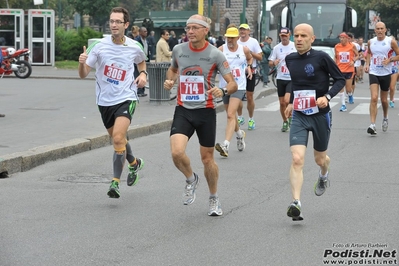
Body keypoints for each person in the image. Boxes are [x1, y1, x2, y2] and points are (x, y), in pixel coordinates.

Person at [163, 14, 237, 216]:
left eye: (195, 28)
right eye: (188, 28)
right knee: (177, 153)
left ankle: (214, 198)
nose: (190, 32)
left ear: (206, 31)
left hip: (205, 111)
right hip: (183, 109)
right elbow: (172, 71)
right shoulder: (178, 50)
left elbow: (233, 84)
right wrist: (170, 81)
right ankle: (190, 179)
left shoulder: (215, 55)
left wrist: (222, 91)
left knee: (207, 159)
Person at [78, 7, 147, 198]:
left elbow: (142, 62)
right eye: (111, 21)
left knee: (118, 138)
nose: (114, 25)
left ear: (126, 25)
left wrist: (143, 74)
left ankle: (115, 183)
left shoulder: (134, 46)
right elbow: (83, 74)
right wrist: (81, 63)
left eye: (118, 22)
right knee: (119, 139)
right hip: (105, 101)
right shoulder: (99, 46)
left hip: (127, 97)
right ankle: (134, 164)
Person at [284, 23, 345, 221]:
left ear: (312, 38)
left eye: (303, 36)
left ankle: (324, 174)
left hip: (320, 114)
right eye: (296, 36)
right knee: (297, 159)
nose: (299, 39)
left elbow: (340, 80)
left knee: (320, 159)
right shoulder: (290, 58)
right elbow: (296, 81)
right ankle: (296, 203)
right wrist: (292, 102)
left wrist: (327, 96)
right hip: (300, 115)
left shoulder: (321, 57)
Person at [214, 27, 252, 158]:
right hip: (224, 87)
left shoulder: (244, 49)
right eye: (228, 37)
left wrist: (249, 67)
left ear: (237, 38)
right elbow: (213, 65)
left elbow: (250, 59)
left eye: (232, 37)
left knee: (230, 114)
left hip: (239, 86)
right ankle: (240, 135)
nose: (230, 40)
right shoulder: (220, 50)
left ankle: (225, 145)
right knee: (231, 116)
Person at [364, 22, 399, 135]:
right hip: (374, 72)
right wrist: (367, 64)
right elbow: (369, 53)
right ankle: (372, 125)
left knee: (384, 100)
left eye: (381, 29)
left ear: (385, 30)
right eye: (377, 29)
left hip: (386, 73)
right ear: (375, 30)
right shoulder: (371, 42)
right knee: (374, 98)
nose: (379, 31)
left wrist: (390, 60)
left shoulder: (390, 41)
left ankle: (385, 117)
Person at [268, 27, 296, 132]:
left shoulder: (294, 46)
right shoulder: (276, 48)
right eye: (282, 36)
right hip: (280, 77)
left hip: (291, 78)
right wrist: (274, 63)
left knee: (287, 100)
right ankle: (285, 121)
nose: (284, 38)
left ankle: (291, 117)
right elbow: (270, 62)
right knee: (281, 103)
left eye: (286, 35)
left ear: (289, 35)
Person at [237, 23, 263, 130]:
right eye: (241, 30)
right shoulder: (236, 41)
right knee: (237, 97)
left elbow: (260, 57)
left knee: (249, 97)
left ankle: (251, 118)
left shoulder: (253, 42)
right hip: (238, 73)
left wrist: (249, 52)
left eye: (244, 30)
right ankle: (239, 116)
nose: (242, 32)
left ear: (249, 31)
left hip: (250, 71)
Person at [334, 32, 359, 111]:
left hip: (349, 69)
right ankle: (343, 105)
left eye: (343, 38)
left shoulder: (352, 46)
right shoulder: (337, 47)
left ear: (347, 38)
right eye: (340, 38)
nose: (341, 39)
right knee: (340, 88)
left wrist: (353, 61)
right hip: (339, 70)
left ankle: (350, 95)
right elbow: (335, 57)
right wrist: (334, 65)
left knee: (348, 89)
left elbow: (358, 55)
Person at [135, 27, 149, 97]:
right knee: (138, 75)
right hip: (138, 61)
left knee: (144, 75)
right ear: (140, 32)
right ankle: (139, 91)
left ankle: (142, 90)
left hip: (145, 59)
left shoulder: (146, 40)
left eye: (146, 31)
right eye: (144, 31)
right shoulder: (137, 41)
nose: (146, 32)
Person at [389, 35, 398, 108]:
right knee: (386, 87)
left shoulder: (397, 49)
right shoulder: (385, 48)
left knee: (392, 87)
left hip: (394, 68)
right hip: (385, 69)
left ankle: (391, 99)